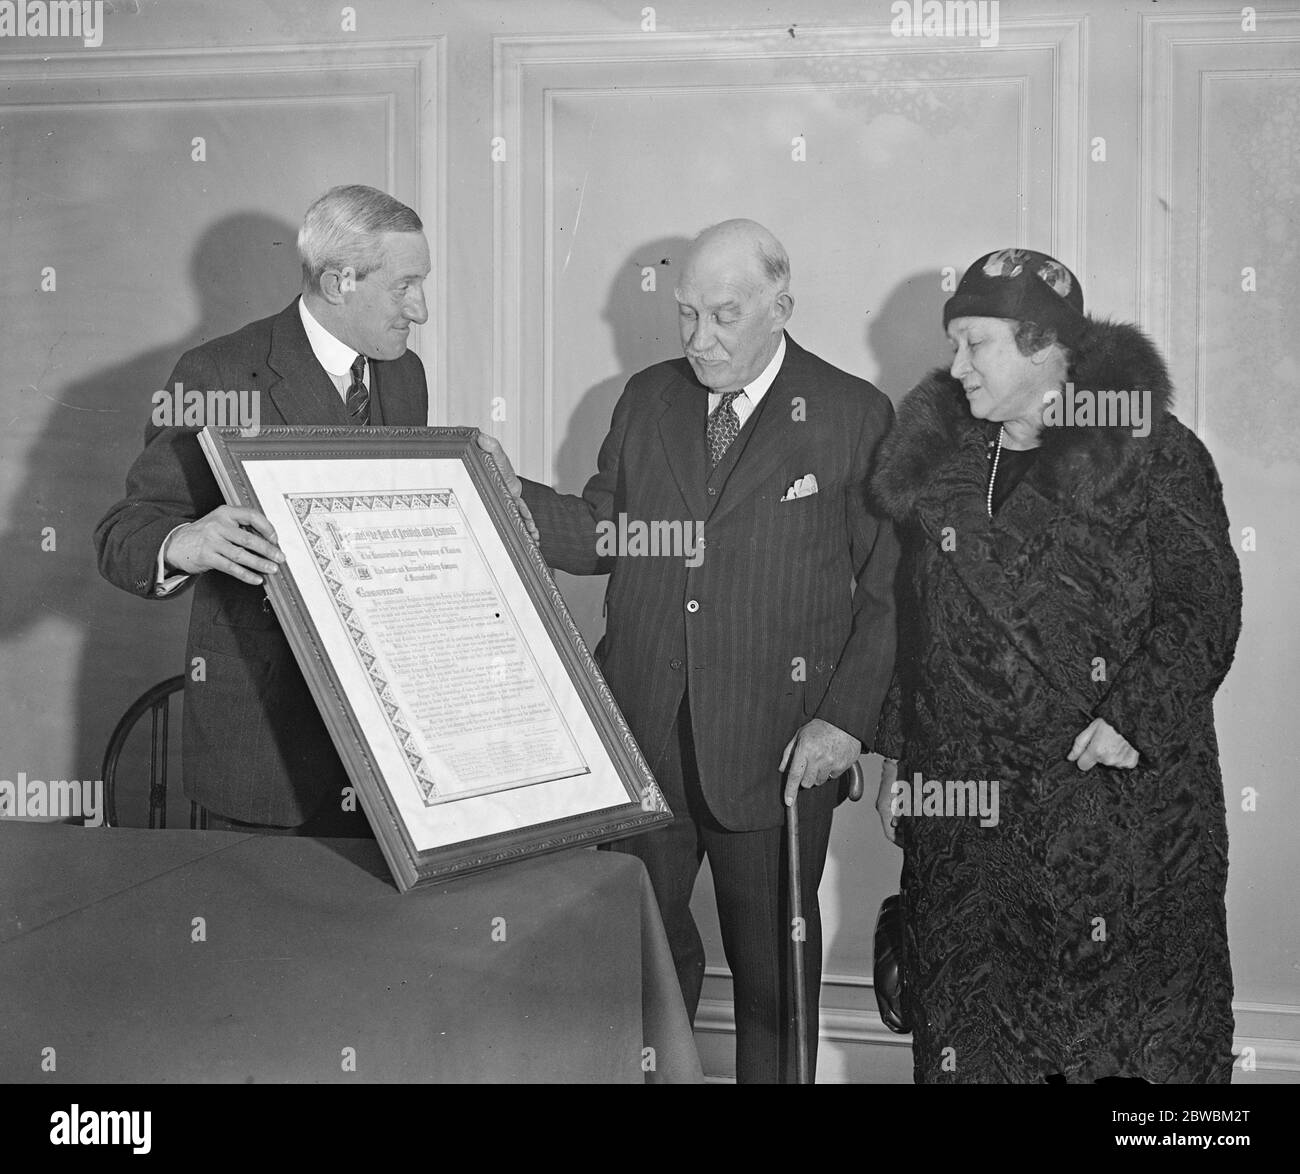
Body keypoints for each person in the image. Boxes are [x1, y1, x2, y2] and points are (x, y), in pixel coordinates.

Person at [479, 219, 898, 1082]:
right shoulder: (649, 397)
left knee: (774, 981)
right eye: (686, 315)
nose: (699, 339)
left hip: (780, 745)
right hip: (640, 738)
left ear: (780, 309)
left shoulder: (853, 414)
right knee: (639, 968)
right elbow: (605, 535)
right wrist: (502, 487)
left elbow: (893, 592)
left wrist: (846, 724)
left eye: (724, 315)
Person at [870, 248, 1241, 1083]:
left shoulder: (1152, 453)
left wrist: (1134, 719)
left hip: (1113, 816)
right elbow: (917, 624)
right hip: (968, 820)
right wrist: (902, 752)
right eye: (953, 344)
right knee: (976, 1038)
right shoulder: (944, 465)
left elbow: (1206, 605)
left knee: (1116, 1052)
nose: (955, 366)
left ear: (1046, 350)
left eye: (977, 345)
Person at [94, 185, 431, 833]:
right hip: (265, 754)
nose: (421, 307)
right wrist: (185, 542)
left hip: (386, 749)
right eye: (405, 286)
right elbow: (121, 533)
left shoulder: (404, 373)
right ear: (338, 283)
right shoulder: (215, 374)